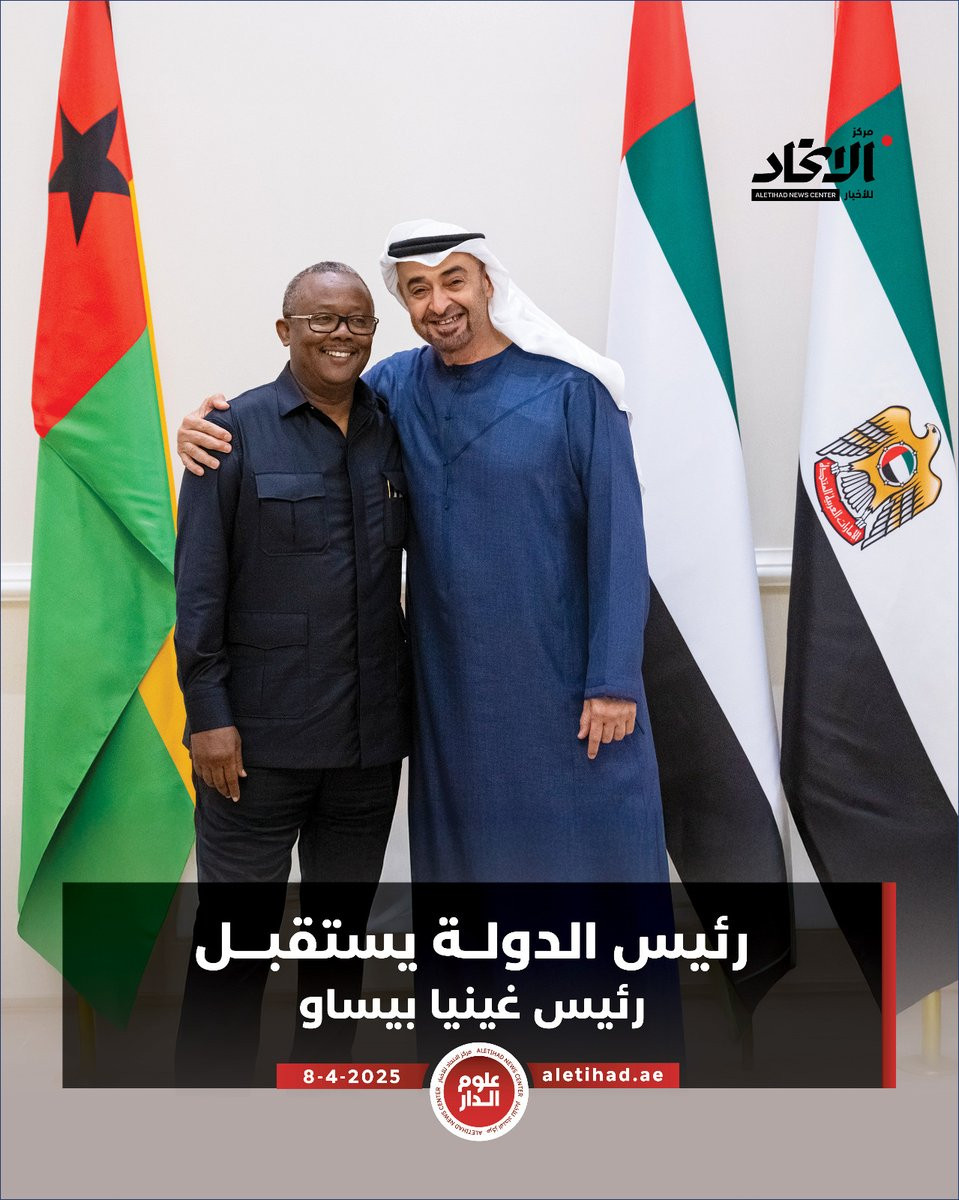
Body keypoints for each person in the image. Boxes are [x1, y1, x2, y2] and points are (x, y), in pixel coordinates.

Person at [177, 223, 668, 885]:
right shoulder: (397, 387)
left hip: (563, 681)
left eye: (452, 280)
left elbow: (619, 542)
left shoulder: (575, 391)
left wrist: (612, 680)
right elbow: (312, 395)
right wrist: (210, 426)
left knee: (585, 858)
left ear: (488, 283)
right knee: (471, 862)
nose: (438, 303)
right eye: (417, 289)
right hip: (450, 692)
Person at [173, 261, 410, 1080]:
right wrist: (208, 717)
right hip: (253, 749)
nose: (342, 334)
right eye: (322, 319)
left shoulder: (393, 425)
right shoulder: (230, 433)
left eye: (357, 320)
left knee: (339, 948)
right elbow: (199, 591)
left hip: (367, 748)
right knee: (234, 943)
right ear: (285, 330)